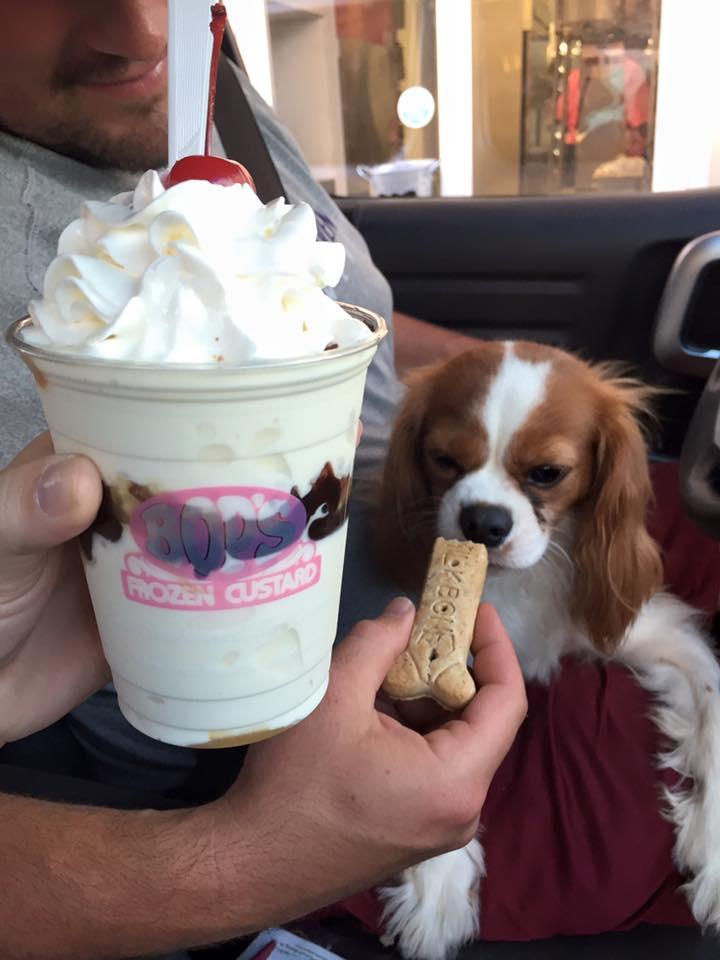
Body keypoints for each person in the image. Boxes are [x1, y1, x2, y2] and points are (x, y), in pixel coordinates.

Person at [0, 2, 523, 957]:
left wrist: (496, 365)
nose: (140, 33)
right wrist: (244, 862)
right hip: (208, 755)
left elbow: (338, 319)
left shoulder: (208, 100)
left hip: (397, 579)